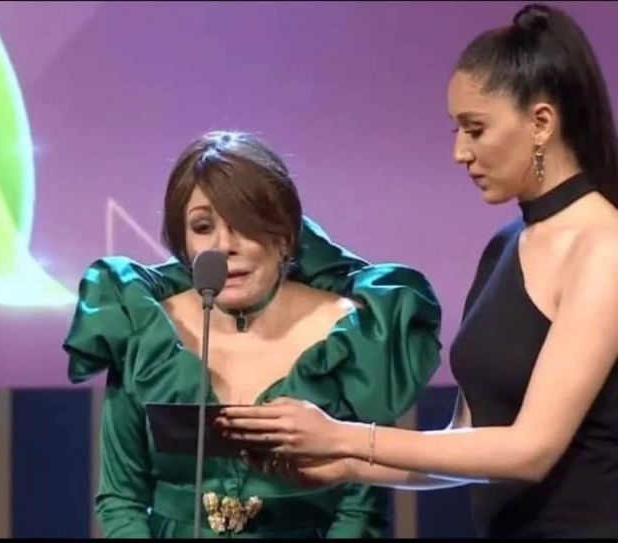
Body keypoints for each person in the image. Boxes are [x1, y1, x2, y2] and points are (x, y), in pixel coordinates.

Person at [218, 4, 618, 539]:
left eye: (475, 129)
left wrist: (343, 436)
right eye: (457, 130)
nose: (459, 153)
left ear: (541, 122)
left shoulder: (604, 246)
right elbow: (465, 441)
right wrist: (348, 466)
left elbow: (531, 449)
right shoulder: (506, 246)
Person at [62, 130, 442, 538]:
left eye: (243, 225)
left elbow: (359, 510)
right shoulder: (145, 329)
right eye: (202, 227)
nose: (224, 245)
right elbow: (121, 498)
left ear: (284, 236)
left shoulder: (351, 333)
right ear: (183, 244)